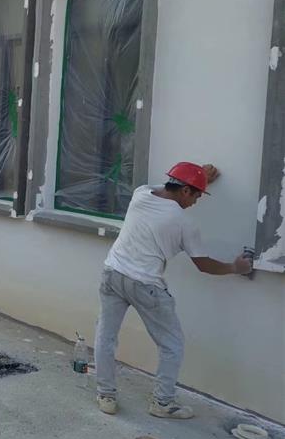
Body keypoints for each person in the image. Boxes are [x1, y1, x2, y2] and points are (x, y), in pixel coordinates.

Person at [94, 162, 253, 419]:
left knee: (106, 336)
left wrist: (198, 178)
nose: (196, 202)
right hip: (145, 285)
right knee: (172, 344)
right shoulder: (183, 223)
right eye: (197, 195)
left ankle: (106, 395)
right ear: (186, 191)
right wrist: (235, 267)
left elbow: (165, 188)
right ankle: (162, 403)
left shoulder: (141, 194)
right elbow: (203, 265)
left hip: (112, 273)